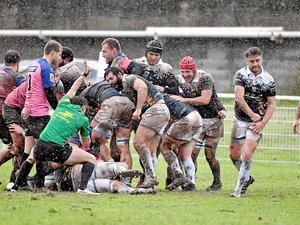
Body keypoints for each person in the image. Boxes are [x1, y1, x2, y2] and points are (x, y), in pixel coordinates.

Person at [12, 61, 99, 195]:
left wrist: (83, 76)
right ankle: (82, 188)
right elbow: (85, 143)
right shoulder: (83, 119)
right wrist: (82, 135)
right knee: (90, 159)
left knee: (30, 159)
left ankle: (15, 186)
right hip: (57, 149)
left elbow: (73, 89)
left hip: (41, 143)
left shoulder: (63, 103)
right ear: (83, 108)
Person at [105, 67, 170, 188]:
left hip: (156, 110)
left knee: (138, 143)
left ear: (120, 74)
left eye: (111, 79)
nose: (110, 83)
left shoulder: (129, 78)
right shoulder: (124, 87)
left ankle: (150, 178)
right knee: (151, 151)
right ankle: (150, 182)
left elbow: (143, 87)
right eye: (107, 81)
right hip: (162, 111)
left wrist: (138, 109)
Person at [171, 56, 226, 191]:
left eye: (188, 72)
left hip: (214, 120)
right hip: (197, 121)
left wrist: (183, 100)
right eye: (183, 71)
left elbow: (206, 99)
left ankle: (217, 182)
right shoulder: (178, 79)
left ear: (194, 70)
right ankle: (190, 183)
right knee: (192, 154)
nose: (185, 75)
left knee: (210, 155)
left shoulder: (205, 77)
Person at [229, 47, 276, 198]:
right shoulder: (241, 74)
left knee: (247, 154)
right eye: (252, 61)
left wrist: (262, 123)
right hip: (240, 120)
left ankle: (238, 190)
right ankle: (247, 179)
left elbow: (272, 104)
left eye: (257, 60)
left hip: (256, 124)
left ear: (261, 59)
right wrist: (252, 114)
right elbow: (239, 97)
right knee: (234, 155)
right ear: (247, 61)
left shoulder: (269, 79)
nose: (255, 64)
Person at [20, 40, 62, 168]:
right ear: (53, 53)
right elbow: (49, 91)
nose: (60, 58)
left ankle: (16, 181)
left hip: (28, 110)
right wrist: (58, 109)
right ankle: (39, 183)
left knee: (28, 150)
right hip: (38, 113)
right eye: (59, 54)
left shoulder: (35, 64)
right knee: (42, 149)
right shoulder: (46, 67)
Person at [80, 80, 135, 168]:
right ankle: (125, 176)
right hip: (127, 103)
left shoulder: (84, 96)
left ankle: (111, 166)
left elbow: (87, 125)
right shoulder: (105, 85)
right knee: (122, 144)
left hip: (111, 102)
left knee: (96, 136)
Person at [47, 161, 155, 195]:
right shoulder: (73, 143)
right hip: (77, 171)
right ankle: (123, 175)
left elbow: (49, 184)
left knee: (115, 185)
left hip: (74, 185)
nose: (108, 140)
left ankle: (134, 191)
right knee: (119, 166)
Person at [0, 50, 24, 149]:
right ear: (18, 63)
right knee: (18, 146)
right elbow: (28, 92)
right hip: (6, 115)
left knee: (10, 145)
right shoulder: (17, 76)